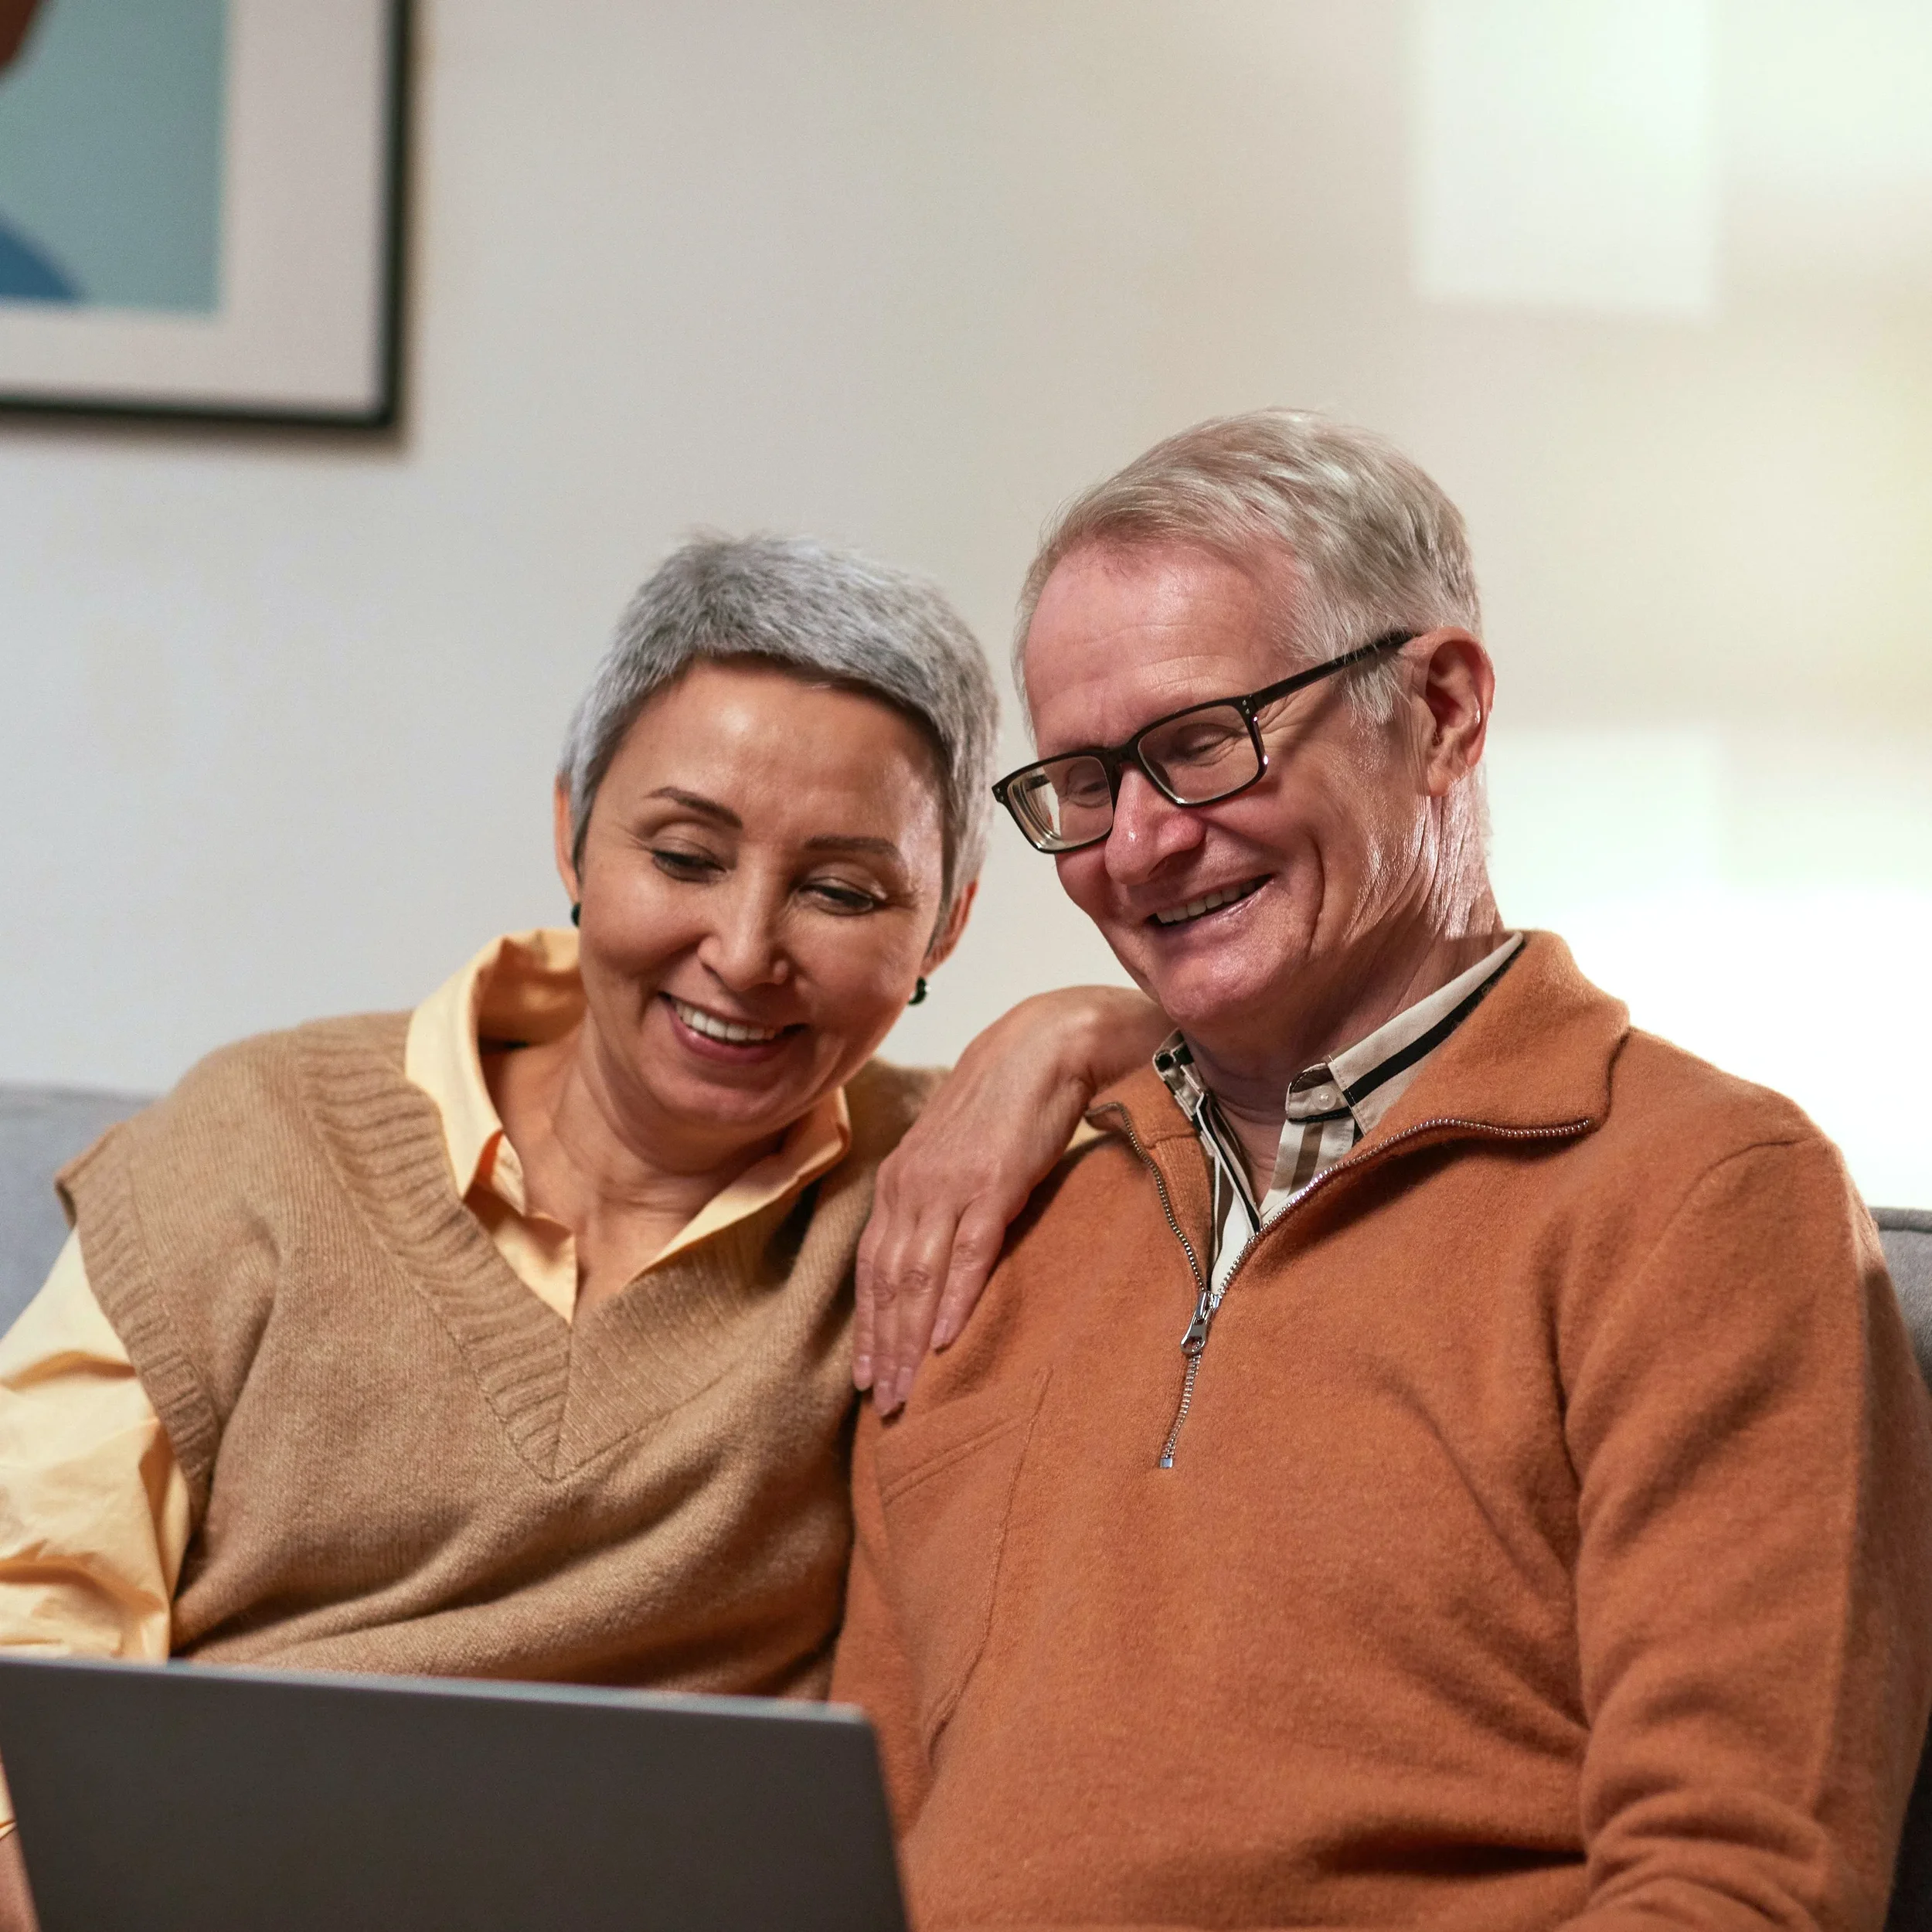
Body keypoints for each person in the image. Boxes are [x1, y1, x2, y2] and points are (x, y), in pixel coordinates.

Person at [834, 411, 1932, 1930]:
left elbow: (1735, 1891)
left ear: (1439, 710)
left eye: (1199, 742)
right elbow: (839, 1851)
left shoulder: (1700, 1194)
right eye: (1080, 781)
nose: (1135, 845)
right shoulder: (986, 1210)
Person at [0, 534, 1165, 1927]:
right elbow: (33, 1605)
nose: (742, 951)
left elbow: (1392, 1045)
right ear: (570, 832)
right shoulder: (255, 1135)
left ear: (949, 926)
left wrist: (1088, 1025)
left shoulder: (950, 1199)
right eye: (684, 855)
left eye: (845, 892)